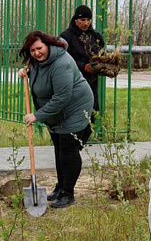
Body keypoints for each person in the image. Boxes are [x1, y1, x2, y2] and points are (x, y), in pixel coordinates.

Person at [18, 30, 94, 209]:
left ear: (48, 45)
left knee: (68, 149)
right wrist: (26, 72)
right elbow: (40, 72)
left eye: (39, 48)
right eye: (32, 51)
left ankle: (68, 193)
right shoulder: (39, 61)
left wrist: (37, 115)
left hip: (75, 108)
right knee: (59, 147)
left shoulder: (62, 63)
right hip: (57, 112)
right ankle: (60, 188)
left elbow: (62, 97)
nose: (36, 53)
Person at [60, 5, 105, 114]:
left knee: (91, 114)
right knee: (75, 113)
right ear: (75, 20)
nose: (86, 23)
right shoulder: (66, 37)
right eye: (82, 20)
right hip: (73, 80)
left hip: (92, 82)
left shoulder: (96, 37)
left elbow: (102, 56)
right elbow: (64, 59)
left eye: (88, 20)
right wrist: (84, 67)